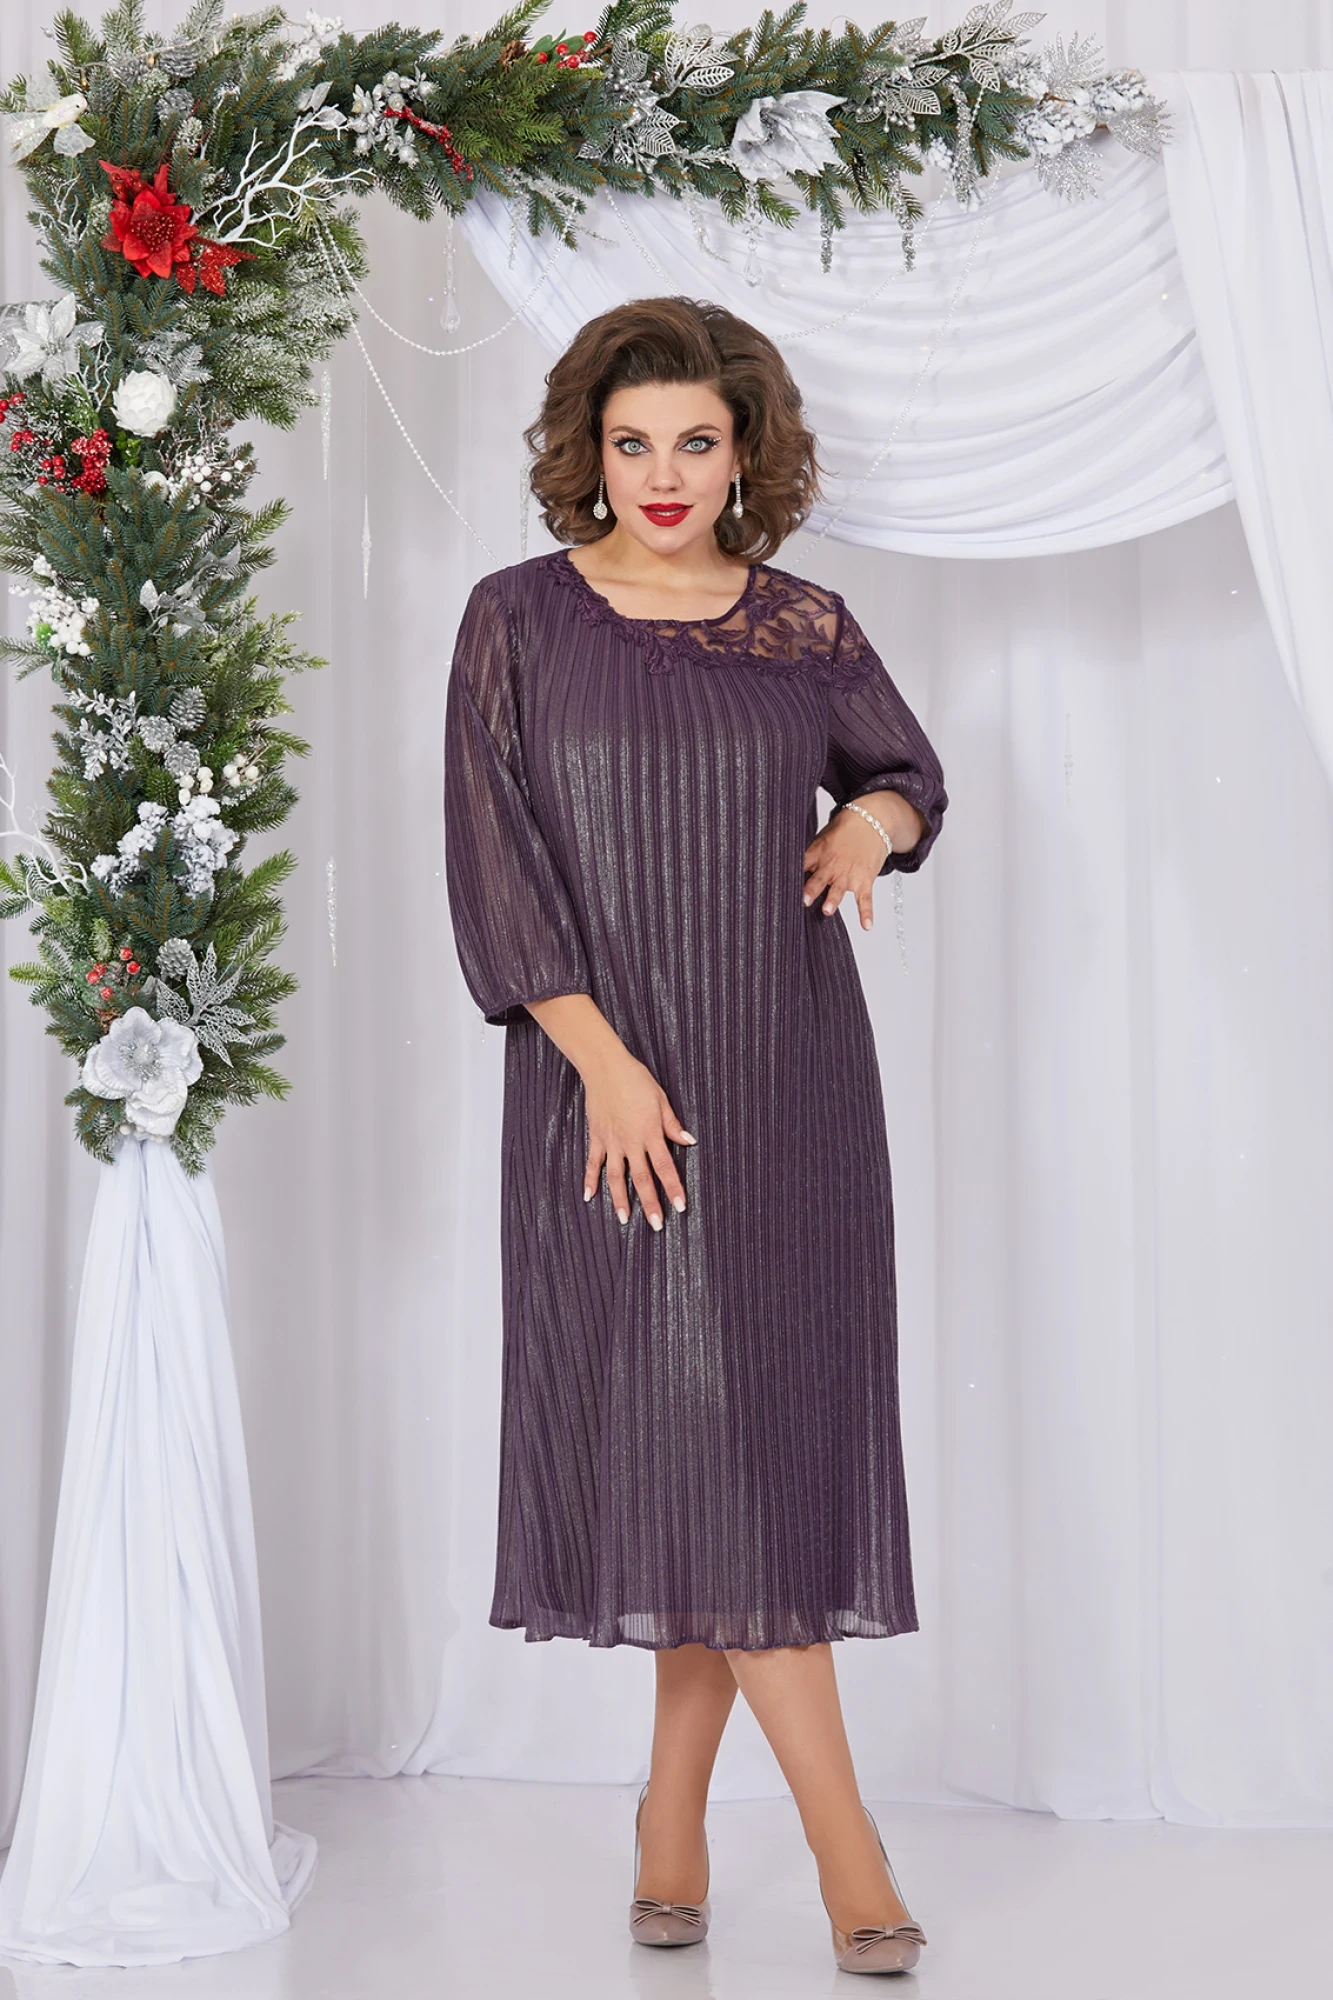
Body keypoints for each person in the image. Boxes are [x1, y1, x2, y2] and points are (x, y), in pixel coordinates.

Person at [443, 296, 947, 1976]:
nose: (664, 474)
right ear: (590, 453)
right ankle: (849, 1855)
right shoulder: (516, 618)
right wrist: (599, 1063)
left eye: (698, 442)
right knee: (695, 1449)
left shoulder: (804, 625)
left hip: (790, 1085)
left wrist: (870, 823)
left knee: (747, 1454)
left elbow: (911, 774)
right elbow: (493, 863)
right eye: (633, 442)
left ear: (746, 456)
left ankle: (672, 1823)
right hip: (610, 1102)